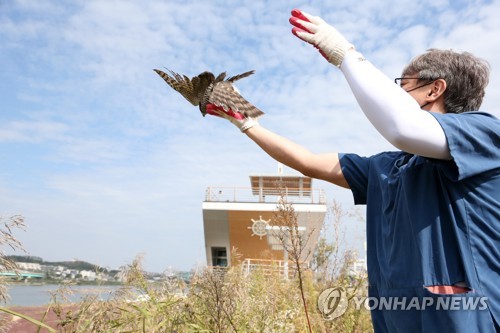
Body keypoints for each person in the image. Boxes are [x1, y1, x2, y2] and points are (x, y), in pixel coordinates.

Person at [206, 9, 500, 332]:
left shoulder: (483, 135)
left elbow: (403, 125)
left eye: (403, 84)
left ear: (434, 89)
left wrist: (345, 55)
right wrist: (247, 124)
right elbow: (307, 161)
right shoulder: (388, 167)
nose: (397, 92)